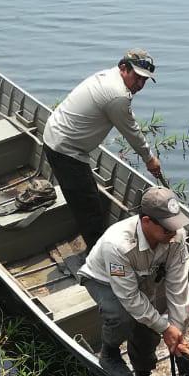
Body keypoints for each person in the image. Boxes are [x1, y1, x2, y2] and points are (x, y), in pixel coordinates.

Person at [43, 50, 164, 253]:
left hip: (57, 138)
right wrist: (149, 159)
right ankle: (98, 261)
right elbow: (131, 132)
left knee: (86, 201)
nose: (140, 85)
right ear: (124, 68)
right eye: (137, 77)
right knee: (91, 211)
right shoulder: (116, 95)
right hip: (65, 150)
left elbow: (124, 113)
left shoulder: (110, 78)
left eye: (145, 80)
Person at [79, 186, 189, 376]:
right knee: (122, 315)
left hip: (143, 276)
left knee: (148, 332)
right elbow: (130, 298)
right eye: (167, 229)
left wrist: (177, 335)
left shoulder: (176, 235)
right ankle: (110, 352)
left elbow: (178, 285)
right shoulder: (117, 245)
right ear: (146, 221)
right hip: (103, 279)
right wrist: (165, 328)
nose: (174, 233)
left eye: (176, 226)